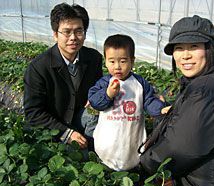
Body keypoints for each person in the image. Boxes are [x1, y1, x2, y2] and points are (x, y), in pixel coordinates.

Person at [140, 15, 214, 186]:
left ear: (210, 49)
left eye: (194, 47)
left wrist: (144, 163)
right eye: (179, 48)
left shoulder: (208, 88)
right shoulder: (205, 82)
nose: (185, 55)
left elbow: (179, 148)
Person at [23, 3, 102, 152]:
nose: (73, 38)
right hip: (54, 127)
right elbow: (33, 113)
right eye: (67, 32)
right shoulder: (38, 68)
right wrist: (66, 133)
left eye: (79, 31)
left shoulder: (93, 58)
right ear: (55, 34)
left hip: (84, 120)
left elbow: (98, 89)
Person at [88, 34, 169, 171]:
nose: (117, 67)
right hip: (108, 137)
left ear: (132, 61)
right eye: (112, 61)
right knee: (106, 165)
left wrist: (160, 109)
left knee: (131, 156)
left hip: (131, 134)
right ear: (106, 62)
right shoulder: (104, 83)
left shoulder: (140, 83)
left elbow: (149, 101)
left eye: (123, 61)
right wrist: (108, 94)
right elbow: (95, 102)